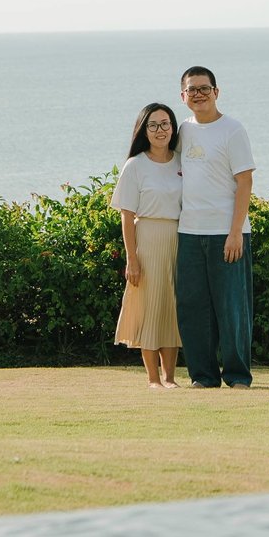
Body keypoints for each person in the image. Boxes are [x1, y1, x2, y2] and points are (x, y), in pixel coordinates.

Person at [175, 65, 255, 389]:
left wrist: (235, 232)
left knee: (232, 307)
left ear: (216, 92)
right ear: (183, 96)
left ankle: (237, 376)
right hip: (190, 232)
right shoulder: (182, 131)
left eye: (204, 88)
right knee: (193, 307)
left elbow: (245, 182)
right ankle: (203, 377)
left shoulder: (233, 130)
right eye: (192, 89)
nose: (198, 94)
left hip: (227, 232)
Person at [111, 102, 184, 388]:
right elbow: (127, 217)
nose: (160, 130)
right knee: (150, 308)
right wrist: (132, 259)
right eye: (153, 125)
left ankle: (170, 378)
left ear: (173, 127)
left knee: (172, 309)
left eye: (165, 123)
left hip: (179, 237)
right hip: (148, 239)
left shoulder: (182, 161)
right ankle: (153, 379)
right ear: (144, 130)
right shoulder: (136, 165)